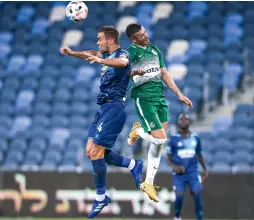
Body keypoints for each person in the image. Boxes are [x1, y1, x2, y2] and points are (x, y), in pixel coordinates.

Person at [60, 26, 143, 218]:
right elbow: (90, 53)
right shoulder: (105, 55)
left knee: (97, 151)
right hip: (103, 107)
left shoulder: (122, 54)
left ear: (110, 40)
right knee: (91, 152)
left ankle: (100, 197)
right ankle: (133, 165)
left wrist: (101, 60)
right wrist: (73, 53)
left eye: (99, 39)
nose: (97, 42)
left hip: (115, 108)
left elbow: (122, 63)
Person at [125, 23, 193, 202]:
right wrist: (132, 72)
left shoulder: (155, 50)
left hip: (160, 99)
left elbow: (165, 74)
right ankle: (137, 131)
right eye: (141, 34)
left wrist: (179, 94)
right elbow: (121, 70)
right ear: (134, 39)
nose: (146, 35)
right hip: (144, 99)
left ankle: (148, 183)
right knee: (161, 138)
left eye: (145, 32)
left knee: (158, 144)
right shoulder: (131, 52)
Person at [167, 113, 208, 220]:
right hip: (179, 174)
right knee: (179, 197)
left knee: (197, 196)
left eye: (186, 119)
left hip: (193, 173)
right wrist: (176, 167)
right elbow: (169, 159)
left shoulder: (195, 138)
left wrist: (205, 169)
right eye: (181, 119)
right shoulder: (173, 139)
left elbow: (199, 154)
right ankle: (177, 217)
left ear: (190, 122)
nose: (184, 121)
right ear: (178, 122)